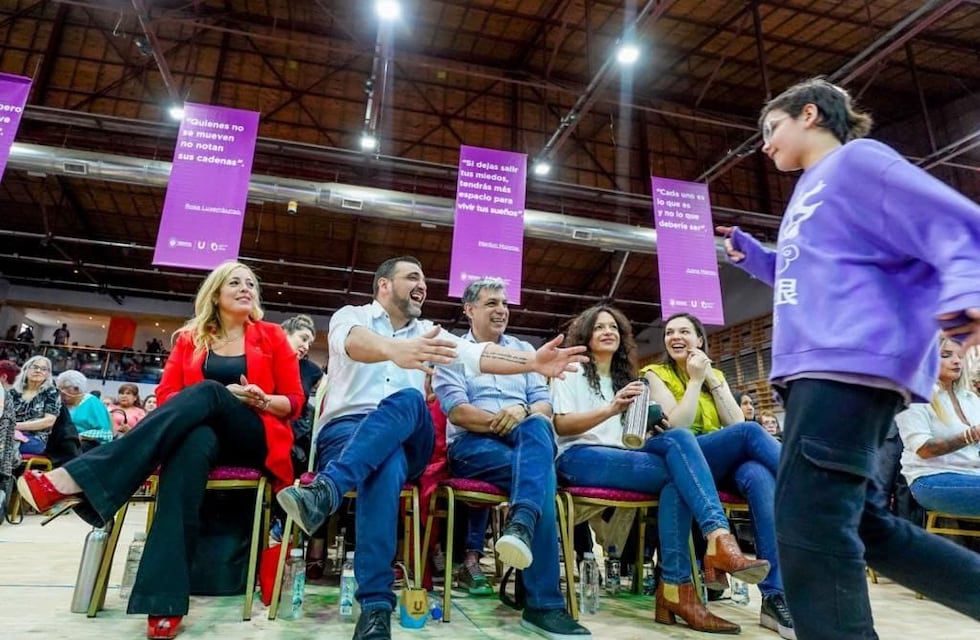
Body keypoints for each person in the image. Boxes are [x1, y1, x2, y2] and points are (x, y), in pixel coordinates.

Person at [717, 76, 980, 639]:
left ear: (809, 113)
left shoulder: (857, 161)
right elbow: (818, 272)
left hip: (846, 368)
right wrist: (761, 261)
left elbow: (953, 221)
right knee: (862, 527)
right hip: (828, 368)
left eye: (772, 127)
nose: (764, 144)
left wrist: (966, 289)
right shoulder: (811, 189)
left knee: (806, 528)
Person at [274, 256, 588, 640]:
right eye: (412, 277)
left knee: (407, 398)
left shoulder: (428, 331)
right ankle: (374, 608)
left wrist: (533, 361)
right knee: (383, 465)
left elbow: (479, 355)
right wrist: (393, 350)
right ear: (384, 285)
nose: (422, 284)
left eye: (424, 279)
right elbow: (353, 343)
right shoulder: (350, 315)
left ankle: (327, 489)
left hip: (410, 436)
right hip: (348, 432)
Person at [16, 261, 304, 640]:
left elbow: (295, 402)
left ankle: (75, 477)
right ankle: (164, 600)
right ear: (215, 293)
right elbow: (167, 397)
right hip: (202, 436)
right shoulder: (190, 338)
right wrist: (209, 400)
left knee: (208, 392)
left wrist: (262, 400)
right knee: (191, 443)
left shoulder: (270, 336)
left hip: (254, 432)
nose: (245, 288)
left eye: (251, 283)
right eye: (234, 282)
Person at [552, 305, 771, 634]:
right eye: (599, 328)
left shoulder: (631, 380)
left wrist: (648, 423)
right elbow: (562, 425)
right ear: (585, 335)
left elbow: (634, 437)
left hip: (626, 456)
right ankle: (715, 544)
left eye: (613, 326)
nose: (608, 331)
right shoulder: (571, 371)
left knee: (678, 455)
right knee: (682, 468)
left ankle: (676, 590)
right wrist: (613, 407)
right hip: (580, 456)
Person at [432, 278, 589, 638]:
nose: (501, 309)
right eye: (491, 303)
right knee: (541, 479)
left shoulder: (525, 350)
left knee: (537, 428)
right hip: (474, 446)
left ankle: (521, 527)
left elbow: (544, 404)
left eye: (504, 303)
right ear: (469, 309)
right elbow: (458, 412)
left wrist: (523, 412)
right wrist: (503, 422)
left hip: (524, 440)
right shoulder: (453, 351)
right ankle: (544, 604)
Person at [643, 313, 793, 639]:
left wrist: (710, 378)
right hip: (684, 455)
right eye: (669, 332)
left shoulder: (716, 376)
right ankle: (807, 487)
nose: (675, 337)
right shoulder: (655, 374)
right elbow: (678, 427)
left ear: (700, 339)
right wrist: (695, 381)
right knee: (752, 434)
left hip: (719, 463)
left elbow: (735, 421)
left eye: (684, 331)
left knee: (758, 476)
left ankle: (773, 597)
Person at [896, 337, 980, 516]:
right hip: (933, 479)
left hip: (973, 475)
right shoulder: (917, 397)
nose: (957, 361)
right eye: (946, 355)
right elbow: (924, 449)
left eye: (960, 355)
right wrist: (972, 434)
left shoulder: (970, 399)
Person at [8, 355, 60, 455]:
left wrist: (16, 426)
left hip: (35, 439)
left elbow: (49, 421)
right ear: (26, 369)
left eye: (44, 369)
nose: (38, 371)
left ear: (48, 374)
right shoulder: (13, 392)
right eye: (35, 367)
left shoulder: (51, 392)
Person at [56, 370, 113, 451]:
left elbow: (105, 432)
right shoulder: (60, 403)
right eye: (60, 389)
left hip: (87, 444)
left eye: (64, 390)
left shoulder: (92, 402)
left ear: (76, 389)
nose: (61, 393)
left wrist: (81, 436)